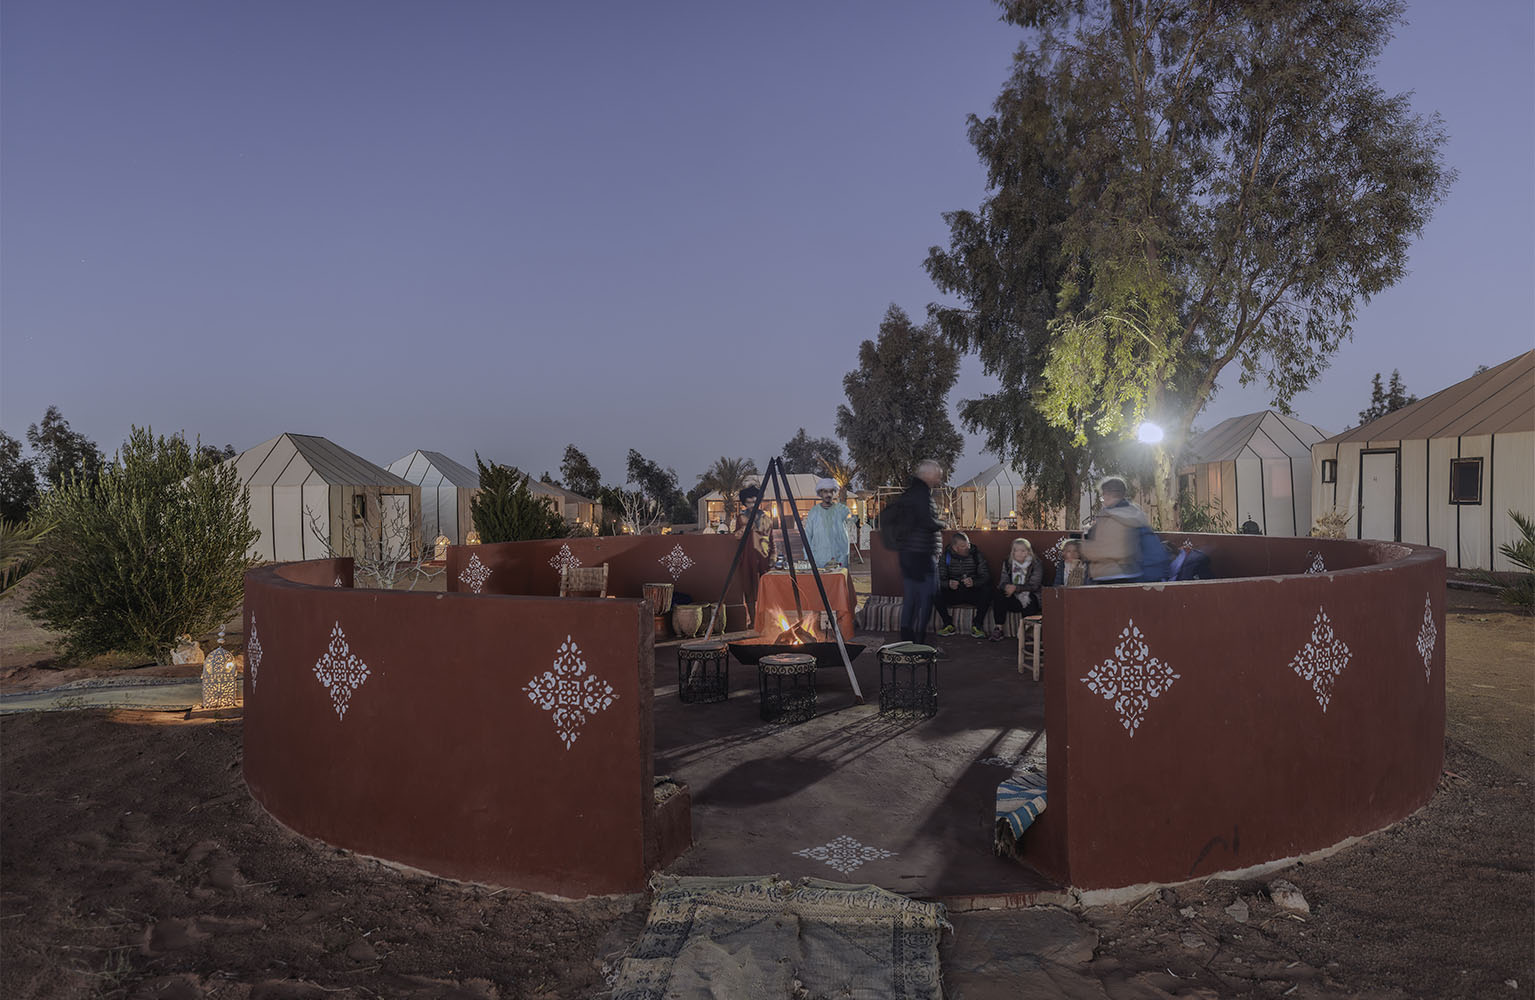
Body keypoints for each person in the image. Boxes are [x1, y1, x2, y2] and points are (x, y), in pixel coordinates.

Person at [888, 459, 946, 644]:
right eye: (937, 475)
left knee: (912, 599)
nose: (939, 479)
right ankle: (919, 640)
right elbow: (927, 522)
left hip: (908, 555)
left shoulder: (909, 494)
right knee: (926, 598)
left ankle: (907, 639)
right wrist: (942, 523)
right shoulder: (921, 495)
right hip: (922, 555)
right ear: (927, 475)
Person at [1078, 477, 1150, 584]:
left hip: (1107, 575)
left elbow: (1104, 550)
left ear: (1107, 494)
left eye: (1102, 496)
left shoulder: (1110, 517)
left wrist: (1083, 546)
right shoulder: (1135, 513)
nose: (1102, 500)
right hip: (1132, 573)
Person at [935, 532, 993, 638]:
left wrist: (974, 582)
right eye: (963, 546)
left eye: (968, 545)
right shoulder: (946, 557)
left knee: (988, 589)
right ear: (955, 548)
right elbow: (939, 579)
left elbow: (986, 576)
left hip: (971, 591)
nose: (967, 548)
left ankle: (977, 625)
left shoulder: (976, 555)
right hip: (954, 592)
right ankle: (948, 624)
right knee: (934, 591)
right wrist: (948, 584)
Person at [733, 485, 774, 625]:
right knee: (749, 588)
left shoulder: (766, 518)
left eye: (754, 501)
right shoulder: (741, 518)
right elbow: (736, 536)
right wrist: (746, 528)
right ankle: (753, 620)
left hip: (764, 557)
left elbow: (771, 539)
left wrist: (773, 557)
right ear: (745, 503)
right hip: (747, 557)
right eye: (749, 502)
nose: (752, 505)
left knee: (765, 589)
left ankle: (765, 619)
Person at [989, 537, 1042, 640]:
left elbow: (1034, 585)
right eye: (1016, 550)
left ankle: (1027, 631)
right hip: (1012, 596)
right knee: (999, 594)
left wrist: (1016, 588)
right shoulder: (1008, 563)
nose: (1019, 553)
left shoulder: (1036, 563)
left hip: (1028, 596)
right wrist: (1007, 587)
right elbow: (1002, 581)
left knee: (1030, 599)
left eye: (1023, 551)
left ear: (1028, 551)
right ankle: (998, 629)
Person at [803, 478, 852, 569]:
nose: (828, 495)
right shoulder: (814, 512)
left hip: (838, 558)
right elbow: (808, 535)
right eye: (825, 491)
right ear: (820, 493)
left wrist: (844, 556)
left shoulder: (841, 510)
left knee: (839, 578)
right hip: (818, 558)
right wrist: (807, 556)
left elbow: (845, 532)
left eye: (831, 491)